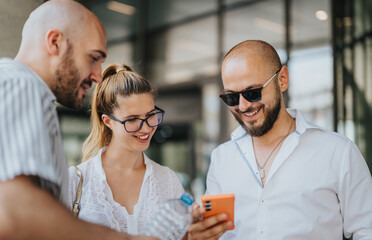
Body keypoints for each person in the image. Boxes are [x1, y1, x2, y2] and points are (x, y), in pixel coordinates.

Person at [0, 1, 155, 239]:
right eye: (93, 57)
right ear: (55, 42)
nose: (97, 76)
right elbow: (15, 214)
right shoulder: (23, 85)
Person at [203, 40, 372, 239]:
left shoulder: (339, 152)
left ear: (282, 79)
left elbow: (366, 230)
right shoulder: (221, 158)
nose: (242, 106)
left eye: (252, 93)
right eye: (231, 97)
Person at [68, 63, 185, 235]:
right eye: (132, 119)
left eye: (150, 115)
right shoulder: (76, 180)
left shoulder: (168, 180)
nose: (145, 128)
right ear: (108, 121)